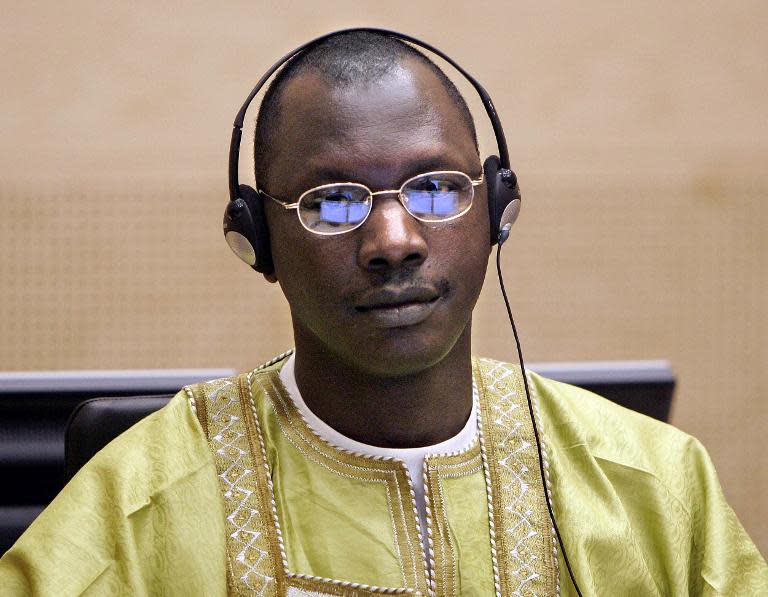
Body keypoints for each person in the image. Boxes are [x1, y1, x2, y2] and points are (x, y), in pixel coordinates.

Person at [1, 30, 765, 596]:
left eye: (435, 187)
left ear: (497, 209)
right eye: (332, 202)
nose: (393, 240)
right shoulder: (137, 509)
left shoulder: (656, 488)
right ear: (257, 241)